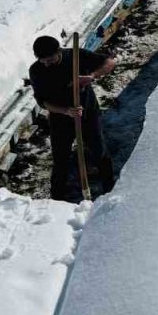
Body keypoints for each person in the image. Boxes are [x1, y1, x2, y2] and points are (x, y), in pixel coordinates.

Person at [28, 35, 117, 200]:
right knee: (60, 158)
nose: (47, 64)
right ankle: (57, 198)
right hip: (60, 118)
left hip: (88, 113)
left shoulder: (75, 56)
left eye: (50, 60)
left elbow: (109, 63)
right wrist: (66, 111)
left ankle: (109, 189)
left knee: (99, 150)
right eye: (43, 61)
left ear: (59, 52)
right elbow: (43, 102)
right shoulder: (36, 70)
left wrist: (91, 76)